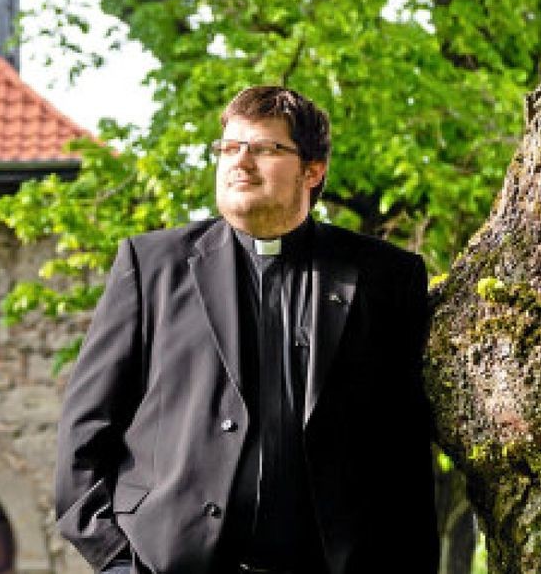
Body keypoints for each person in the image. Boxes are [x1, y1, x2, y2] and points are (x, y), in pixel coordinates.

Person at [54, 86, 438, 574]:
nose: (241, 162)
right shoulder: (151, 266)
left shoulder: (386, 277)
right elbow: (85, 430)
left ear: (313, 170)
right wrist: (117, 562)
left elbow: (405, 451)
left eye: (264, 149)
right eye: (230, 148)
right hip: (170, 564)